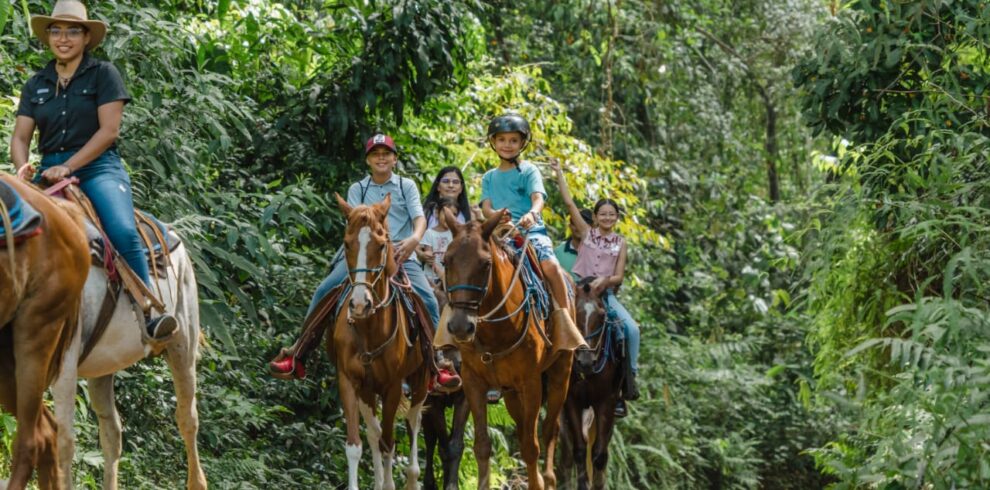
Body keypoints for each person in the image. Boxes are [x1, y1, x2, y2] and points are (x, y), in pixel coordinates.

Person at [11, 0, 175, 339]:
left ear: (87, 37)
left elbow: (109, 131)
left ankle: (148, 311)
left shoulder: (103, 74)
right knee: (13, 231)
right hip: (49, 171)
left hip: (98, 168)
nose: (63, 38)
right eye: (56, 31)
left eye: (73, 31)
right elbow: (20, 136)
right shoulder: (36, 84)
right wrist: (22, 166)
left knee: (121, 229)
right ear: (48, 37)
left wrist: (70, 165)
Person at [270, 134, 460, 391]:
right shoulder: (358, 189)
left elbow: (419, 218)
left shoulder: (406, 186)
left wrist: (414, 239)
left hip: (401, 254)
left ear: (394, 159)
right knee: (325, 289)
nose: (381, 158)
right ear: (368, 160)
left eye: (386, 153)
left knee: (426, 297)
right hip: (362, 258)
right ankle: (298, 353)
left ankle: (437, 363)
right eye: (375, 154)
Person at [478, 113, 584, 403]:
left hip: (529, 232)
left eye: (513, 140)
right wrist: (494, 216)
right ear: (493, 143)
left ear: (522, 143)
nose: (508, 145)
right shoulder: (489, 177)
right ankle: (456, 332)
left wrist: (531, 213)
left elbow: (538, 197)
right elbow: (486, 206)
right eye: (502, 140)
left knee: (550, 267)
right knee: (471, 266)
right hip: (499, 233)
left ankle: (564, 321)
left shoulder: (529, 171)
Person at [551, 159, 640, 417]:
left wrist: (606, 281)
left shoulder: (620, 242)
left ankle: (627, 382)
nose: (607, 217)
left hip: (606, 295)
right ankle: (548, 376)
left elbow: (619, 275)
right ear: (596, 216)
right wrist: (559, 174)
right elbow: (569, 203)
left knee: (630, 330)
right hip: (578, 292)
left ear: (617, 218)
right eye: (603, 214)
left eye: (612, 214)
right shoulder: (587, 233)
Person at [419, 197, 457, 285]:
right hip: (431, 278)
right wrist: (441, 274)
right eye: (445, 213)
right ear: (437, 213)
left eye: (454, 214)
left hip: (450, 278)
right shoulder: (429, 233)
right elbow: (429, 258)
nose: (449, 217)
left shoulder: (455, 234)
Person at [553, 208, 594, 281]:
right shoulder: (557, 253)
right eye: (576, 224)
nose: (579, 228)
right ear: (570, 226)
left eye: (584, 225)